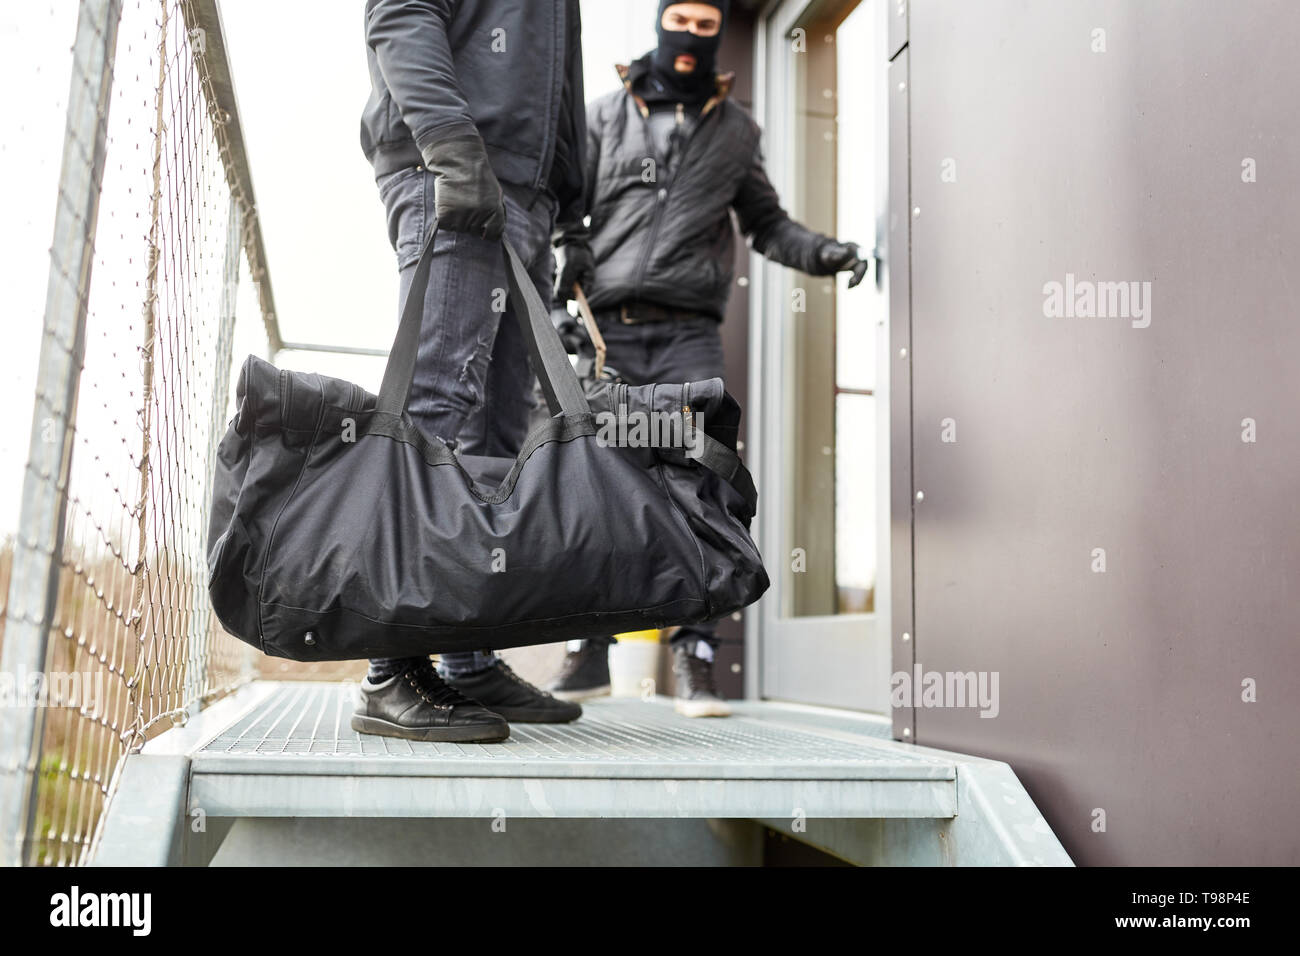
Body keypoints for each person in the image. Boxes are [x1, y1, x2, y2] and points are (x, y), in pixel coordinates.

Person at [546, 0, 871, 717]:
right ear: (660, 23)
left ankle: (695, 655)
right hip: (611, 335)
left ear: (718, 34)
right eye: (678, 21)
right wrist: (557, 293)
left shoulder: (737, 129)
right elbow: (567, 211)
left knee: (701, 481)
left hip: (689, 334)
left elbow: (767, 224)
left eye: (703, 26)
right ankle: (589, 651)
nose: (688, 37)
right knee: (600, 478)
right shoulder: (604, 113)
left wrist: (824, 252)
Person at [352, 0, 588, 742]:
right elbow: (400, 14)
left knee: (499, 428)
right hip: (455, 168)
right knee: (437, 412)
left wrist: (570, 210)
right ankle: (391, 666)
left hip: (525, 194)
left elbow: (558, 82)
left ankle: (465, 655)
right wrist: (452, 147)